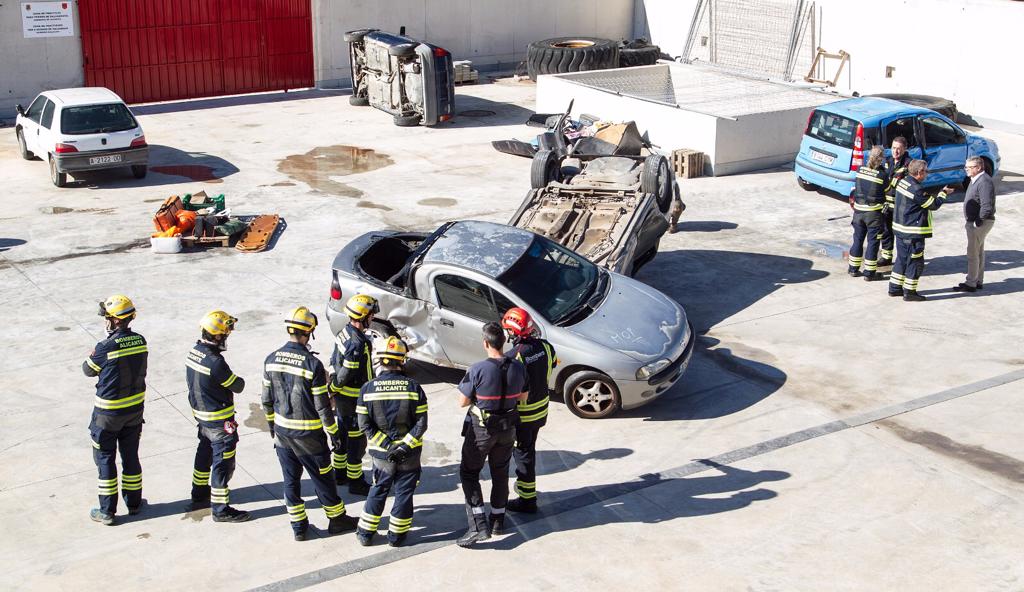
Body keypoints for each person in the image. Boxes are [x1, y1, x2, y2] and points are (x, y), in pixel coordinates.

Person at [262, 307, 358, 541]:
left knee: (291, 480)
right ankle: (337, 520)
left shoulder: (271, 359)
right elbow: (323, 406)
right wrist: (333, 433)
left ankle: (299, 527)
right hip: (310, 437)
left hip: (283, 434)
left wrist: (273, 429)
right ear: (310, 332)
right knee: (323, 477)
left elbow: (266, 401)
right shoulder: (311, 364)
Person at [456, 322, 528, 547]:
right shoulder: (518, 367)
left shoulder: (477, 369)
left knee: (469, 473)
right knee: (500, 473)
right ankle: (498, 520)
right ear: (503, 342)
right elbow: (523, 398)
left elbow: (463, 402)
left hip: (482, 431)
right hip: (508, 429)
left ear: (485, 343)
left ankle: (478, 526)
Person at [355, 337, 428, 548]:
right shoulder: (414, 388)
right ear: (402, 360)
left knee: (378, 490)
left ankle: (366, 535)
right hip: (409, 454)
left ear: (380, 360)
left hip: (381, 455)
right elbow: (421, 424)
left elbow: (364, 425)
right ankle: (396, 537)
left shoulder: (367, 389)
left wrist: (388, 447)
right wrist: (403, 447)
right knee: (404, 494)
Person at [83, 295, 148, 525]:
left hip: (107, 416)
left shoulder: (105, 347)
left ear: (114, 321)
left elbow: (88, 370)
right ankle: (134, 503)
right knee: (130, 457)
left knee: (105, 460)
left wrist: (94, 354)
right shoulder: (141, 341)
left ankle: (107, 511)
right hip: (134, 412)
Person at [184, 311, 250, 522]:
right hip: (219, 422)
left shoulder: (194, 352)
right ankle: (220, 509)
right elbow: (237, 385)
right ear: (218, 336)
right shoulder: (215, 362)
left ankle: (199, 493)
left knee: (203, 455)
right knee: (222, 462)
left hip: (202, 418)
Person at [501, 307, 557, 514]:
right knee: (528, 452)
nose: (506, 333)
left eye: (507, 329)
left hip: (523, 416)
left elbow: (511, 390)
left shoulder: (514, 356)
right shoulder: (545, 347)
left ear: (514, 332)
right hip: (541, 411)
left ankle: (527, 500)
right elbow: (549, 370)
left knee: (523, 455)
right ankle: (526, 493)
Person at [328, 294, 378, 495]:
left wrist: (332, 389)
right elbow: (347, 373)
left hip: (343, 399)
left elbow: (334, 361)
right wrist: (332, 390)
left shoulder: (343, 332)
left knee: (342, 433)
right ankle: (355, 481)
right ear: (364, 316)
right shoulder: (358, 343)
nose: (373, 318)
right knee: (356, 441)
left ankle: (339, 473)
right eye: (371, 314)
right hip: (354, 398)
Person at [888, 160, 955, 302]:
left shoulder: (903, 181)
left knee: (901, 259)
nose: (927, 174)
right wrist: (943, 193)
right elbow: (933, 205)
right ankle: (910, 292)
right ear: (919, 173)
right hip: (912, 232)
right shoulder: (917, 189)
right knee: (915, 261)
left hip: (900, 229)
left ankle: (894, 288)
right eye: (926, 171)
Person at [954, 156, 996, 292]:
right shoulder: (975, 179)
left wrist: (978, 222)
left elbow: (986, 205)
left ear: (978, 168)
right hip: (976, 222)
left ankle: (971, 283)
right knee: (979, 252)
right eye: (966, 167)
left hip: (979, 223)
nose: (966, 170)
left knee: (972, 253)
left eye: (969, 167)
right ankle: (978, 280)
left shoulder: (984, 182)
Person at [848, 145, 889, 281]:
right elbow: (887, 190)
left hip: (858, 212)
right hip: (873, 215)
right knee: (872, 242)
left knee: (858, 240)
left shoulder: (860, 170)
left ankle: (853, 269)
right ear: (881, 159)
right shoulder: (882, 175)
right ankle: (869, 273)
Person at [878, 136, 912, 266]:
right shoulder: (887, 161)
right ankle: (886, 257)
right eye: (893, 148)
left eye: (899, 149)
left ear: (905, 149)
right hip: (887, 205)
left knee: (901, 234)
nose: (895, 151)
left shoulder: (909, 164)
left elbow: (906, 185)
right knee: (886, 231)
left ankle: (903, 258)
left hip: (900, 206)